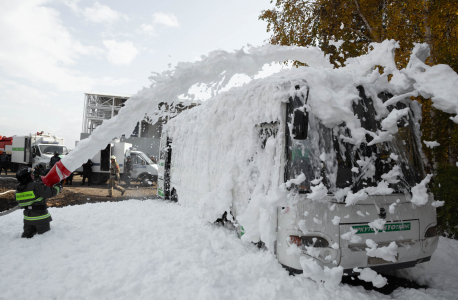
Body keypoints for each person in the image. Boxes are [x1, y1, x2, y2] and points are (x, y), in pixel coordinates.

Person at [15, 167, 62, 238]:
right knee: (44, 238)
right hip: (41, 218)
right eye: (31, 175)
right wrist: (59, 187)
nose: (32, 176)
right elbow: (50, 193)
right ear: (27, 177)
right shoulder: (35, 186)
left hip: (28, 219)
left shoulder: (18, 190)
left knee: (26, 238)